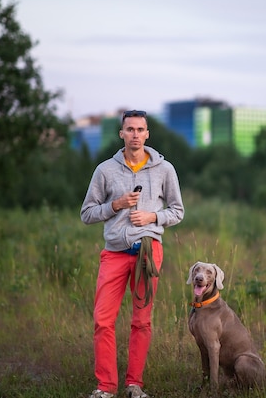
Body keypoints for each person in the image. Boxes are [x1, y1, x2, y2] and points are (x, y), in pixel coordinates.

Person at [80, 110, 185, 398]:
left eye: (140, 129)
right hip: (114, 253)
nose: (135, 134)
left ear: (147, 134)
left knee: (142, 321)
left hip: (148, 254)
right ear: (121, 134)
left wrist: (152, 217)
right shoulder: (105, 170)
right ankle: (105, 387)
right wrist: (115, 205)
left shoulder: (165, 170)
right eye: (130, 129)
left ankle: (134, 385)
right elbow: (87, 214)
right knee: (103, 320)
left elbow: (178, 211)